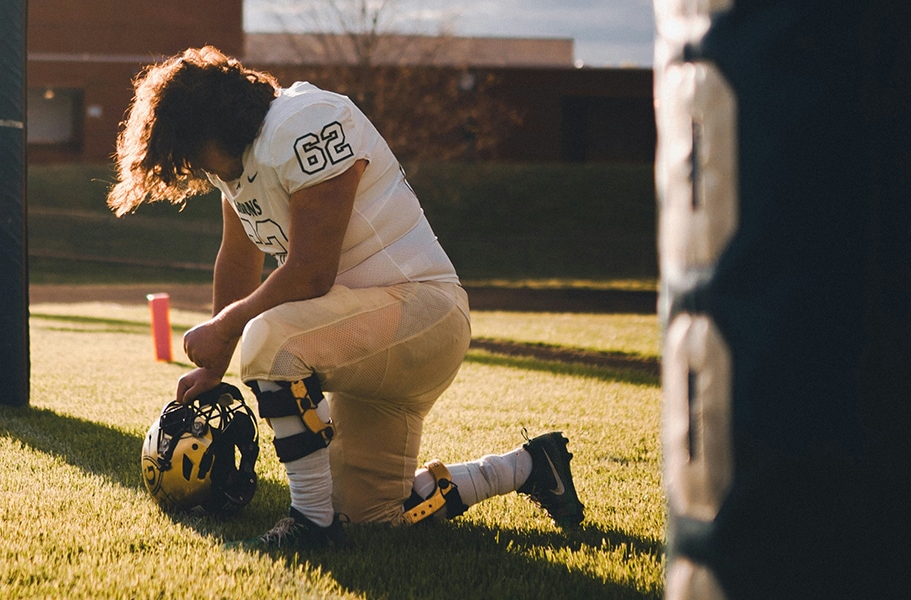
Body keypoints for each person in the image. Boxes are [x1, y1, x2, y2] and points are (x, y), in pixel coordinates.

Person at [108, 46, 584, 548]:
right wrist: (214, 364)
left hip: (422, 313)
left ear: (214, 122)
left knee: (269, 339)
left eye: (189, 148)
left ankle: (311, 524)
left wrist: (228, 329)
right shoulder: (240, 160)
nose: (191, 167)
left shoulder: (305, 121)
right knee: (371, 512)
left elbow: (312, 273)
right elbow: (238, 256)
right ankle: (529, 467)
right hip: (363, 334)